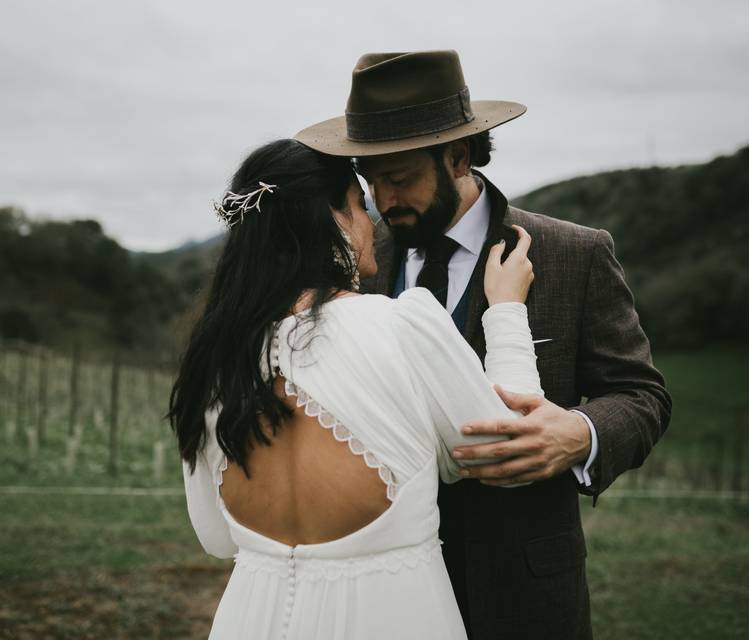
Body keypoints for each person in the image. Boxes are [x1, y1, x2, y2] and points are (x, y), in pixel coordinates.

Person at [294, 50, 673, 639]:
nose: (383, 201)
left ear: (459, 156)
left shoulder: (573, 253)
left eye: (400, 179)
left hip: (525, 592)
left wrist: (581, 434)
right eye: (371, 183)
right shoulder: (361, 265)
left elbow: (641, 396)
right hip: (382, 590)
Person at [171, 138, 545, 639]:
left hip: (249, 618)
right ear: (333, 220)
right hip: (389, 616)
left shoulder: (214, 360)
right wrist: (505, 312)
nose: (373, 222)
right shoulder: (402, 324)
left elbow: (217, 538)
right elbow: (508, 450)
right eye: (360, 205)